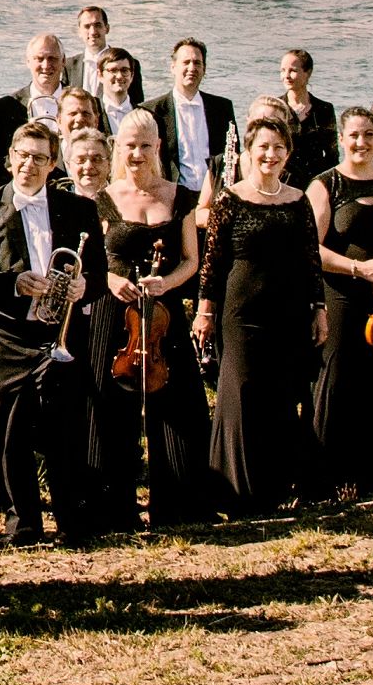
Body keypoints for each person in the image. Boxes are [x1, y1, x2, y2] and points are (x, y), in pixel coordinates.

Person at [0, 120, 102, 545]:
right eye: (23, 155)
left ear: (53, 164)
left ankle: (72, 521)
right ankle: (23, 524)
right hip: (10, 335)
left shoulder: (79, 209)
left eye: (40, 158)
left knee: (65, 430)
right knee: (12, 434)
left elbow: (99, 274)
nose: (29, 164)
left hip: (59, 333)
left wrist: (85, 287)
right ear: (9, 158)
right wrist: (14, 283)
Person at [90, 111, 210, 526]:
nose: (137, 153)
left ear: (158, 146)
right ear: (118, 148)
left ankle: (179, 506)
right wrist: (111, 280)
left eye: (145, 145)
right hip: (115, 311)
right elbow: (94, 262)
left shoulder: (180, 196)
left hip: (163, 311)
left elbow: (192, 260)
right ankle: (113, 508)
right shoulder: (104, 198)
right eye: (129, 145)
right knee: (111, 405)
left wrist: (167, 283)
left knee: (180, 402)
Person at [194, 117, 319, 514]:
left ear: (288, 153)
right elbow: (212, 263)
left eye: (278, 147)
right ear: (248, 152)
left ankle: (275, 489)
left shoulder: (298, 200)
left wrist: (319, 309)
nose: (270, 154)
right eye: (263, 146)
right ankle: (235, 492)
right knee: (241, 394)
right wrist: (204, 311)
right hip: (241, 312)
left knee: (280, 395)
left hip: (289, 311)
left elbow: (311, 261)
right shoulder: (230, 198)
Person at [309, 106, 373, 491]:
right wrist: (359, 268)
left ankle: (369, 471)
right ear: (341, 139)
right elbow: (311, 248)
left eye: (369, 134)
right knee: (337, 378)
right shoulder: (326, 185)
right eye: (353, 135)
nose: (361, 142)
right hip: (340, 295)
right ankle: (325, 476)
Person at [149, 41, 233, 200]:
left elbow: (230, 156)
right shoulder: (153, 110)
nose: (192, 68)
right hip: (172, 198)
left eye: (197, 63)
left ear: (204, 69)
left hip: (215, 197)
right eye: (186, 62)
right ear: (173, 67)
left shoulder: (222, 108)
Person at [0, 35, 76, 174]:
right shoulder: (6, 106)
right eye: (39, 59)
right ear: (28, 61)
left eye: (52, 58)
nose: (46, 65)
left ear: (63, 61)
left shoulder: (82, 103)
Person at [273, 50, 341, 190]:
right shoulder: (275, 108)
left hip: (315, 183)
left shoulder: (324, 109)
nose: (286, 76)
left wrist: (330, 186)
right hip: (282, 183)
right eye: (283, 70)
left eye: (293, 70)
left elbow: (332, 155)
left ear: (308, 73)